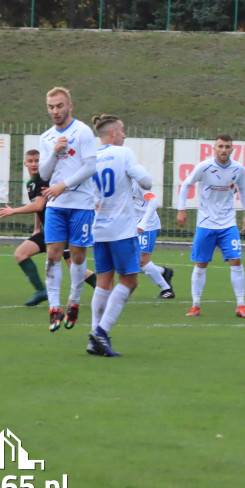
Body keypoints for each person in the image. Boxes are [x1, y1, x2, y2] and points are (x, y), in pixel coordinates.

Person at [85, 115, 152, 357]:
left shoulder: (92, 158)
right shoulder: (123, 154)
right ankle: (101, 331)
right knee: (130, 282)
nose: (125, 135)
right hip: (122, 229)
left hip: (99, 229)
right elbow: (147, 182)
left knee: (104, 283)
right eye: (122, 130)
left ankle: (94, 338)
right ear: (112, 133)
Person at [0, 149, 97, 306]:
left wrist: (13, 211)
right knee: (22, 254)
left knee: (73, 264)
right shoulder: (31, 183)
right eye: (30, 161)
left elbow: (39, 204)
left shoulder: (44, 180)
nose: (34, 164)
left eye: (37, 160)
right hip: (50, 229)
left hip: (60, 228)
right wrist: (37, 228)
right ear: (25, 163)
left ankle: (102, 290)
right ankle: (42, 291)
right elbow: (40, 209)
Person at [38, 87, 98, 332]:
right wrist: (54, 153)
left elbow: (90, 166)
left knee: (78, 257)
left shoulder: (82, 131)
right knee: (52, 256)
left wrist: (63, 185)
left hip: (81, 204)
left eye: (60, 106)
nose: (55, 111)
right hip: (56, 205)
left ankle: (73, 303)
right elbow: (43, 174)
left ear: (70, 106)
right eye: (51, 107)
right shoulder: (46, 138)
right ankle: (54, 308)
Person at [176, 134, 245, 318]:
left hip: (228, 224)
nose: (224, 150)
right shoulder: (204, 167)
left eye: (227, 146)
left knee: (236, 261)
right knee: (201, 264)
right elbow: (186, 184)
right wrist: (181, 210)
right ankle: (195, 306)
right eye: (220, 146)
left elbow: (242, 189)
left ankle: (241, 305)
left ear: (232, 149)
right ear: (214, 148)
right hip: (206, 223)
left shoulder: (238, 168)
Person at [132, 182, 175, 299]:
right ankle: (163, 272)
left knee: (142, 260)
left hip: (147, 224)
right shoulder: (115, 180)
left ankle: (167, 290)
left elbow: (154, 201)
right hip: (129, 224)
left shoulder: (138, 181)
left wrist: (143, 224)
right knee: (123, 262)